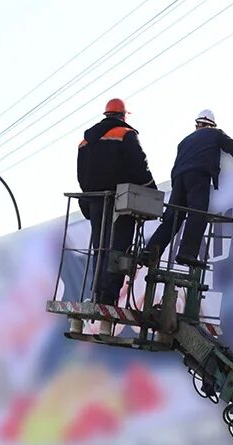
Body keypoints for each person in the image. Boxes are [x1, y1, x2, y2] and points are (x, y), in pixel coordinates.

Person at [143, 109, 233, 267]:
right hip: (198, 174)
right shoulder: (214, 133)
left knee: (173, 217)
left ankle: (150, 252)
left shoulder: (184, 141)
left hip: (179, 178)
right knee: (197, 212)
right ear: (212, 124)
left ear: (197, 124)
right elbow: (232, 146)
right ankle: (187, 253)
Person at [77, 98, 156, 305]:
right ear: (123, 116)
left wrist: (90, 193)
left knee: (100, 248)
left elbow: (81, 175)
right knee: (118, 249)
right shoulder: (126, 134)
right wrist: (150, 187)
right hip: (120, 200)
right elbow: (139, 164)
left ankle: (96, 294)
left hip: (96, 201)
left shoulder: (85, 141)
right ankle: (109, 297)